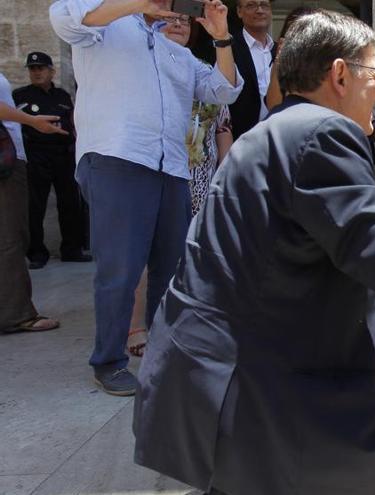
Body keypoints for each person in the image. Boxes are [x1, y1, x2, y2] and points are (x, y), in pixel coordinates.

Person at [132, 10, 375, 494]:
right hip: (255, 399)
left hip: (201, 386)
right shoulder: (322, 133)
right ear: (341, 75)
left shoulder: (268, 132)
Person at [50, 0, 243, 396]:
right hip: (117, 157)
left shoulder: (177, 52)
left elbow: (225, 90)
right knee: (120, 269)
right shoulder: (105, 25)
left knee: (171, 267)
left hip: (171, 166)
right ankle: (108, 361)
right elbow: (66, 18)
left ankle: (163, 354)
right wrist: (135, 5)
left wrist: (222, 37)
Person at [127, 14, 234, 357]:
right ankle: (136, 326)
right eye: (170, 20)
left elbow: (222, 126)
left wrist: (225, 173)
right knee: (144, 255)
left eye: (186, 22)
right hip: (151, 168)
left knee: (195, 251)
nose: (179, 25)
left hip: (200, 176)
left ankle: (189, 320)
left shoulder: (201, 70)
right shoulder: (137, 67)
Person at [0, 72, 67, 334]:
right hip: (6, 164)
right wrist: (31, 120)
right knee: (10, 237)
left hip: (11, 160)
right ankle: (16, 315)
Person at [12, 52, 90, 269]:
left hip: (62, 155)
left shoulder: (62, 97)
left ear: (51, 71)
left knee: (70, 204)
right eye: (32, 69)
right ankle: (37, 253)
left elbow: (72, 122)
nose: (36, 72)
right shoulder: (20, 96)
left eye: (41, 68)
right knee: (35, 206)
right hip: (36, 155)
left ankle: (72, 249)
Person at [229, 0, 274, 140]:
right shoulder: (227, 49)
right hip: (240, 138)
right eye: (251, 5)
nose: (259, 10)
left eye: (264, 5)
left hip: (278, 136)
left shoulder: (281, 50)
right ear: (239, 11)